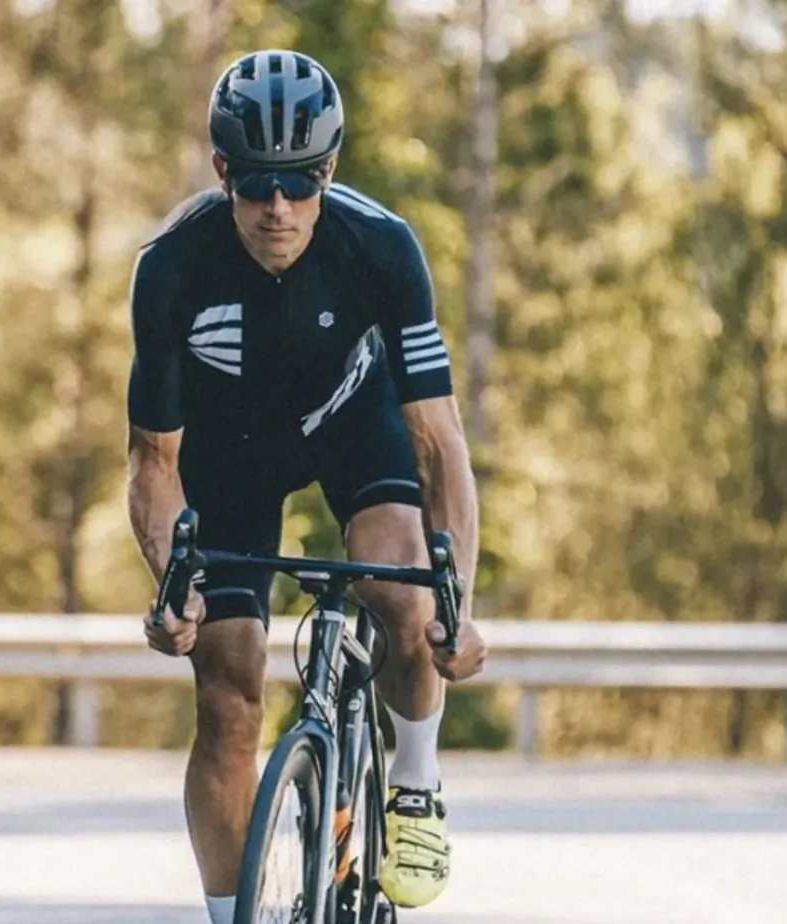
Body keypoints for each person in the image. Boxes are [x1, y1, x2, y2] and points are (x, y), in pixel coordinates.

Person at [125, 50, 487, 921]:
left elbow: (438, 443)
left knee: (400, 597)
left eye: (301, 181)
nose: (278, 207)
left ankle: (412, 779)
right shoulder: (172, 266)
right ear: (222, 172)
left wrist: (457, 607)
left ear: (331, 169)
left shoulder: (382, 247)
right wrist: (174, 587)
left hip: (350, 425)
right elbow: (154, 460)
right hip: (226, 452)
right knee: (226, 688)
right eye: (255, 184)